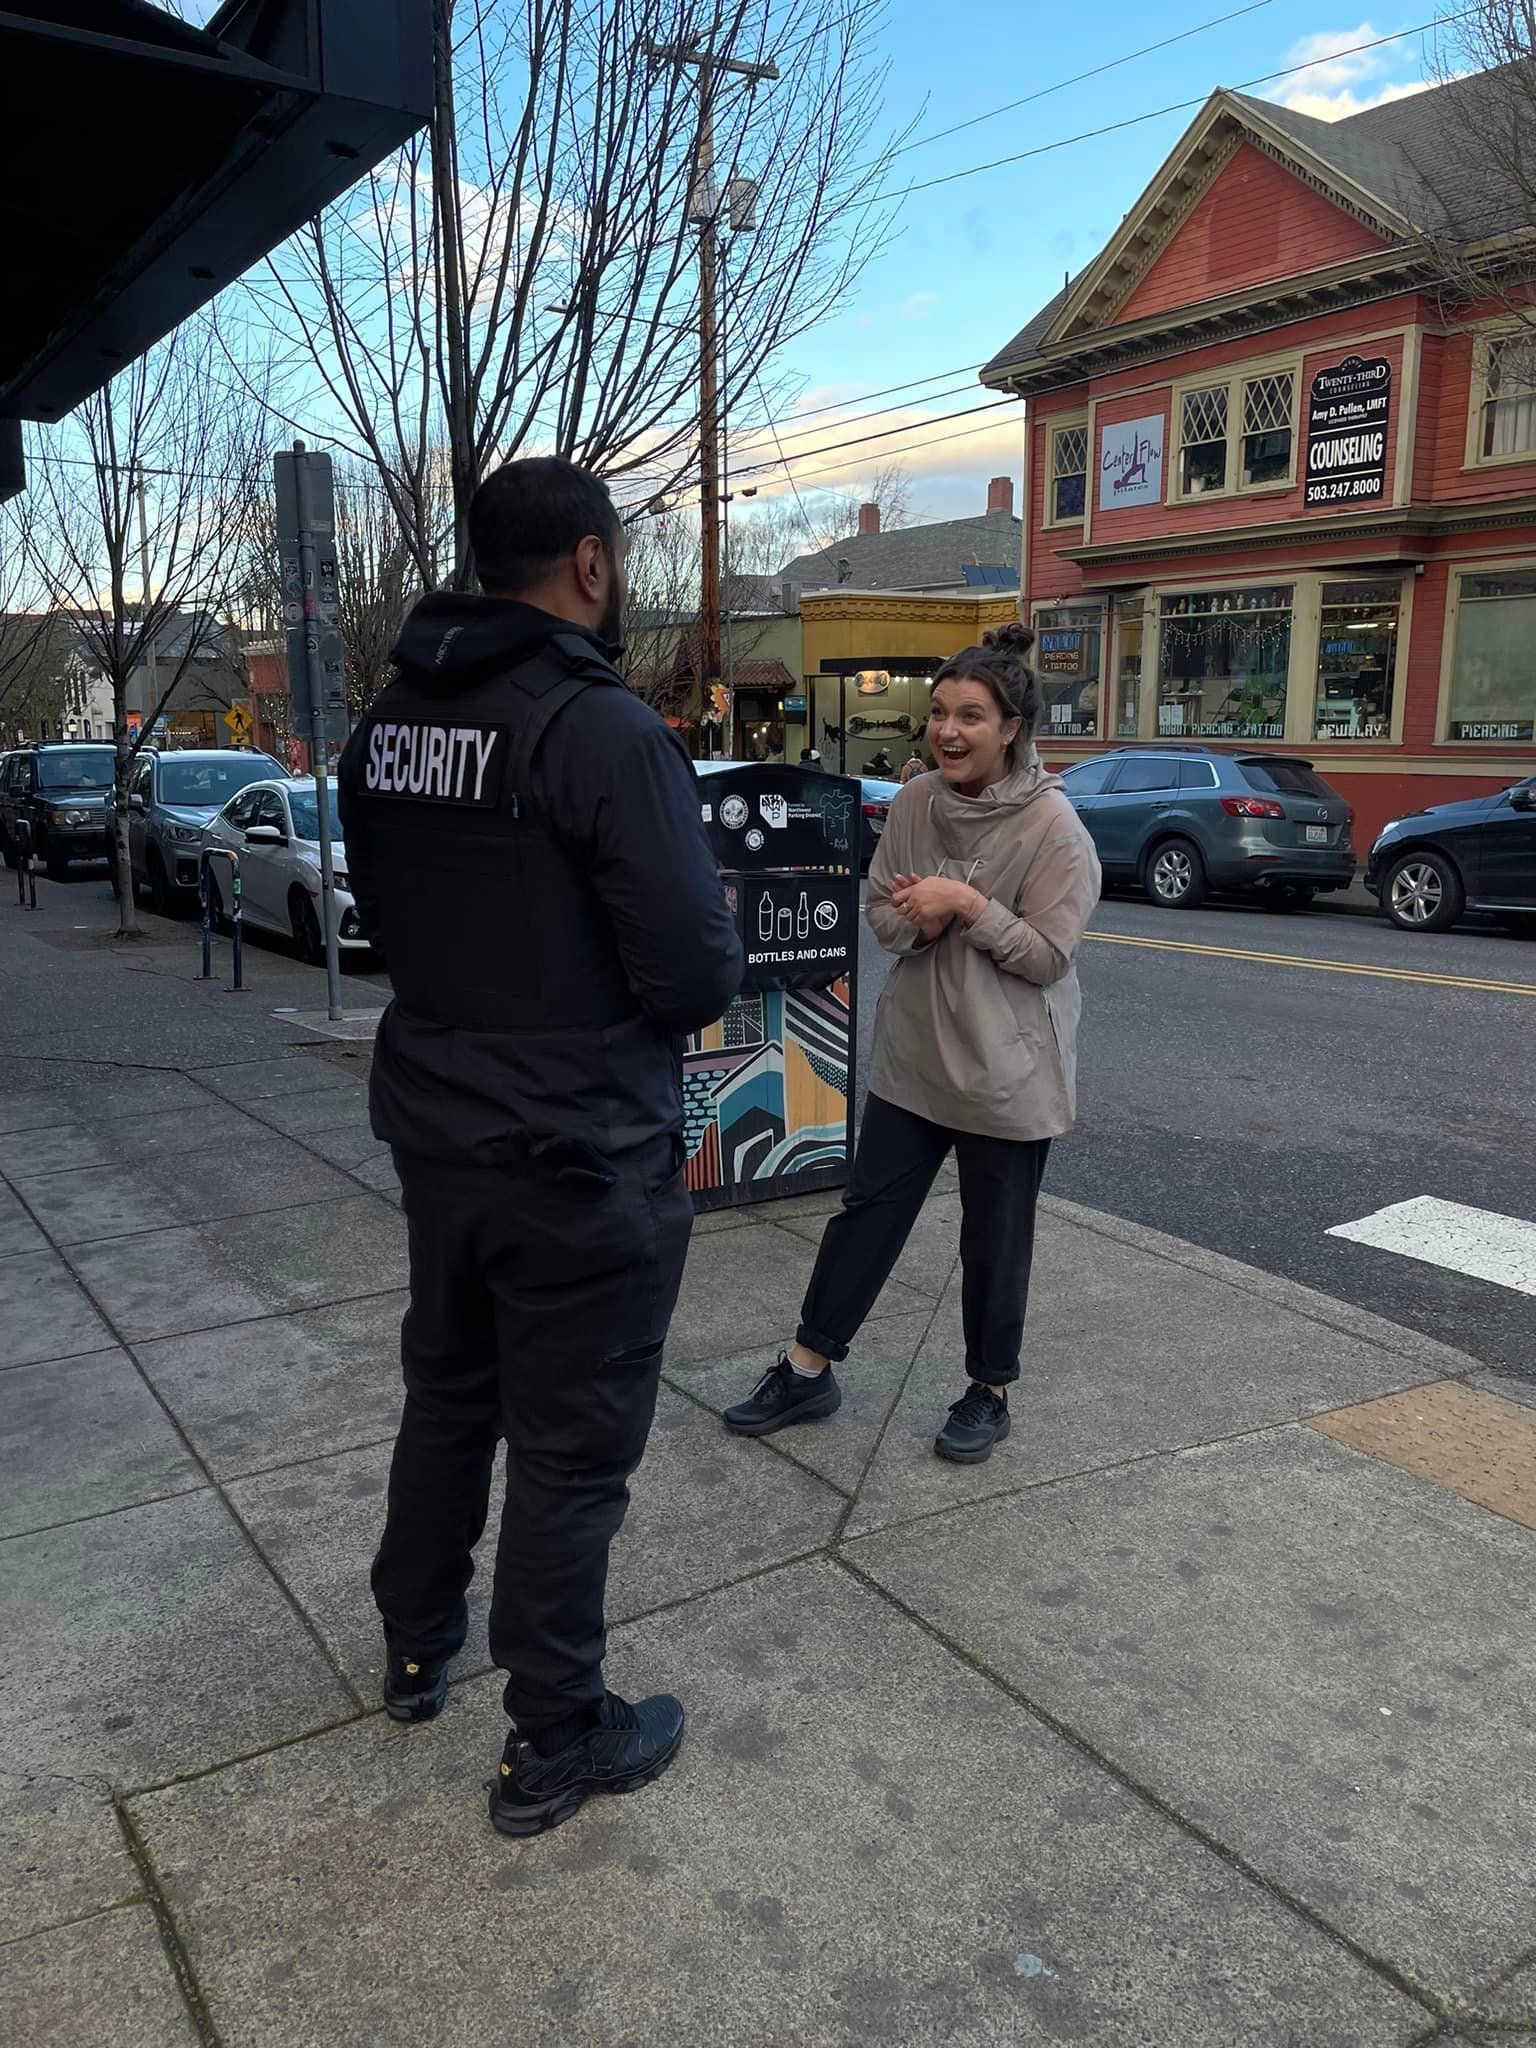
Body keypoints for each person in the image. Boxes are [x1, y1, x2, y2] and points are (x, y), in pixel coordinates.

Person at [338, 457, 743, 1838]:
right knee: (572, 1454)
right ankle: (556, 1738)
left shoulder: (387, 722)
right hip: (580, 1149)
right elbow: (692, 973)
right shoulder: (602, 729)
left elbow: (386, 922)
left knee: (450, 1393)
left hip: (441, 1129)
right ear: (586, 563)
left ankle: (413, 1645)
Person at [723, 623, 1100, 1462]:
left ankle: (988, 1390)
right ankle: (808, 1365)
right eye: (938, 714)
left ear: (1012, 729)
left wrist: (965, 907)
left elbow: (1046, 955)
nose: (948, 731)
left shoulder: (1055, 831)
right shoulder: (919, 801)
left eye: (970, 715)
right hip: (914, 1055)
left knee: (994, 1237)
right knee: (867, 1214)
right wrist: (922, 916)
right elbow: (884, 915)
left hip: (1009, 1069)